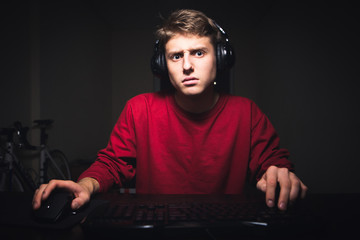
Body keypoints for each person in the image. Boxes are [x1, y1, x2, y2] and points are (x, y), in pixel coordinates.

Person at [32, 9, 307, 212]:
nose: (187, 66)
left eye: (199, 52)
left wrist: (278, 175)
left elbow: (272, 162)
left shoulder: (246, 112)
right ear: (163, 66)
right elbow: (113, 163)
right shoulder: (139, 109)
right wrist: (87, 185)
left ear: (221, 59)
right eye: (176, 56)